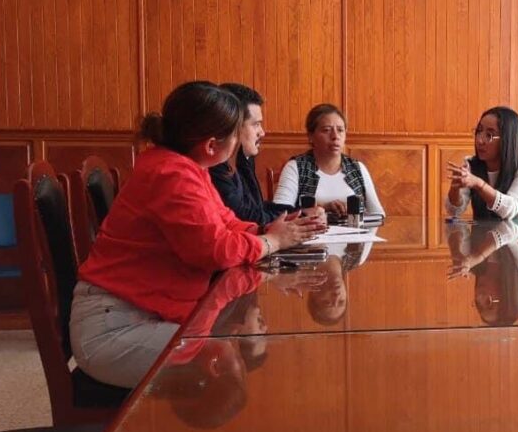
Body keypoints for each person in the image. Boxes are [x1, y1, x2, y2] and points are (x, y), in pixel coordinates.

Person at [69, 81, 324, 388]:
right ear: (212, 146)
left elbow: (226, 222)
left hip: (142, 313)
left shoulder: (189, 167)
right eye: (236, 133)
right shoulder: (171, 174)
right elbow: (215, 251)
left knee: (222, 352)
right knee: (217, 365)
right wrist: (273, 241)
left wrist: (267, 231)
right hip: (114, 329)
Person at [208, 83, 319, 226]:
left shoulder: (243, 158)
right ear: (233, 125)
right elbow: (245, 217)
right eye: (256, 124)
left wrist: (300, 212)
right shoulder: (216, 164)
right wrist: (300, 216)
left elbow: (257, 207)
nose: (262, 132)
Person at [273, 104, 385, 218]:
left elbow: (378, 214)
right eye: (326, 130)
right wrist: (322, 208)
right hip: (310, 229)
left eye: (340, 130)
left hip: (354, 229)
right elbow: (279, 214)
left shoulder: (357, 168)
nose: (335, 136)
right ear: (311, 136)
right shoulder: (296, 167)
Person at [446, 106, 518, 220]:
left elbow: (510, 210)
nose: (479, 140)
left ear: (507, 139)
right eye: (479, 131)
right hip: (481, 232)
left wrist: (479, 184)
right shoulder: (472, 164)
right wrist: (455, 189)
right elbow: (454, 211)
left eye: (489, 135)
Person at [448, 221, 518, 326]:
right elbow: (512, 228)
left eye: (478, 304)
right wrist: (479, 255)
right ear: (507, 298)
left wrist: (456, 249)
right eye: (488, 302)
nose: (479, 296)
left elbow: (453, 221)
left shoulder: (472, 266)